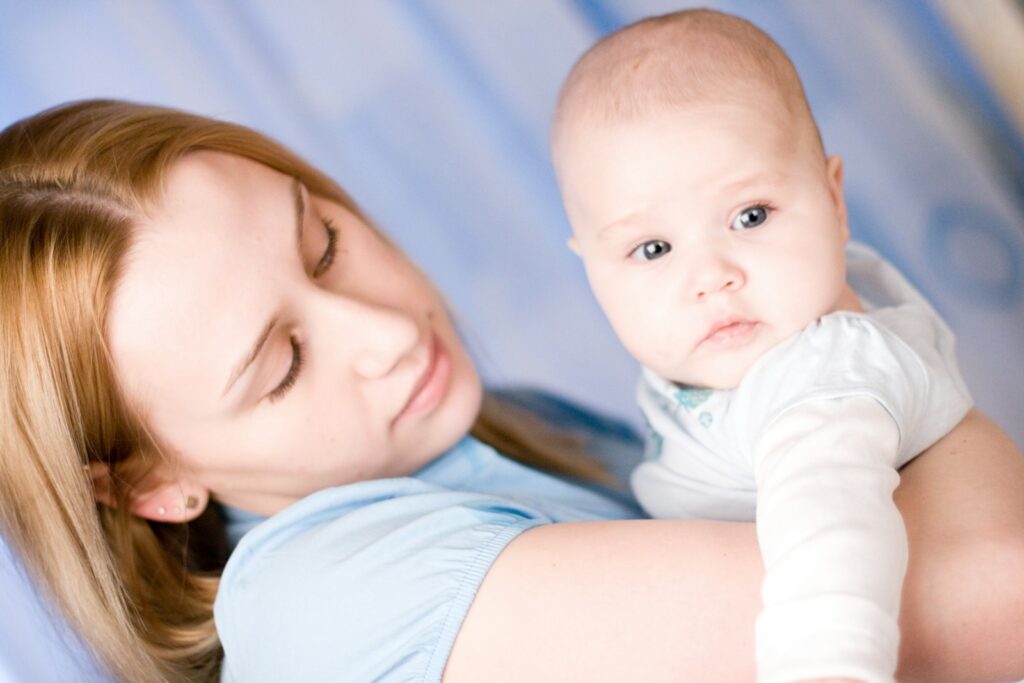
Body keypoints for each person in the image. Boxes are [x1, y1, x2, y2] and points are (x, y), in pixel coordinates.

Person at [0, 99, 1022, 683]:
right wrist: (847, 328)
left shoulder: (515, 425)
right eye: (281, 365)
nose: (392, 332)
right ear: (147, 482)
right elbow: (993, 588)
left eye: (325, 243)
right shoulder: (322, 603)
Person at [550, 8, 1002, 682]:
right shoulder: (738, 355)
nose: (711, 276)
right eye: (653, 248)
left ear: (834, 200)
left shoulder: (819, 382)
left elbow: (830, 540)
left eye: (750, 216)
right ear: (590, 268)